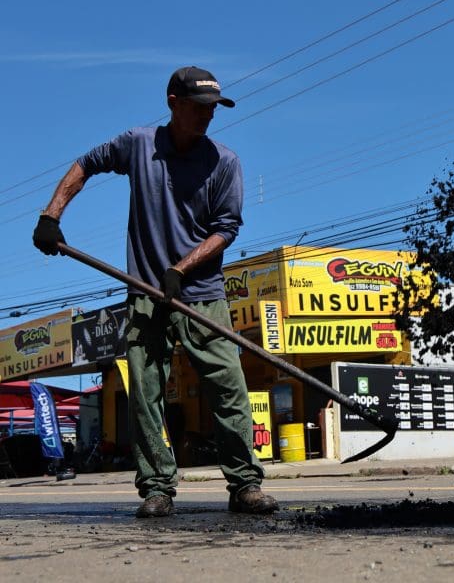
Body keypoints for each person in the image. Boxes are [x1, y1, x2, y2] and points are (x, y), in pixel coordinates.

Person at [32, 66, 277, 518]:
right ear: (173, 101)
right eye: (199, 107)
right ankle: (157, 488)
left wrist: (180, 270)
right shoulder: (138, 145)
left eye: (212, 109)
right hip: (146, 291)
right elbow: (86, 164)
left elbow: (226, 229)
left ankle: (245, 484)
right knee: (145, 393)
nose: (207, 116)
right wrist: (52, 215)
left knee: (229, 388)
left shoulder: (224, 162)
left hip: (202, 291)